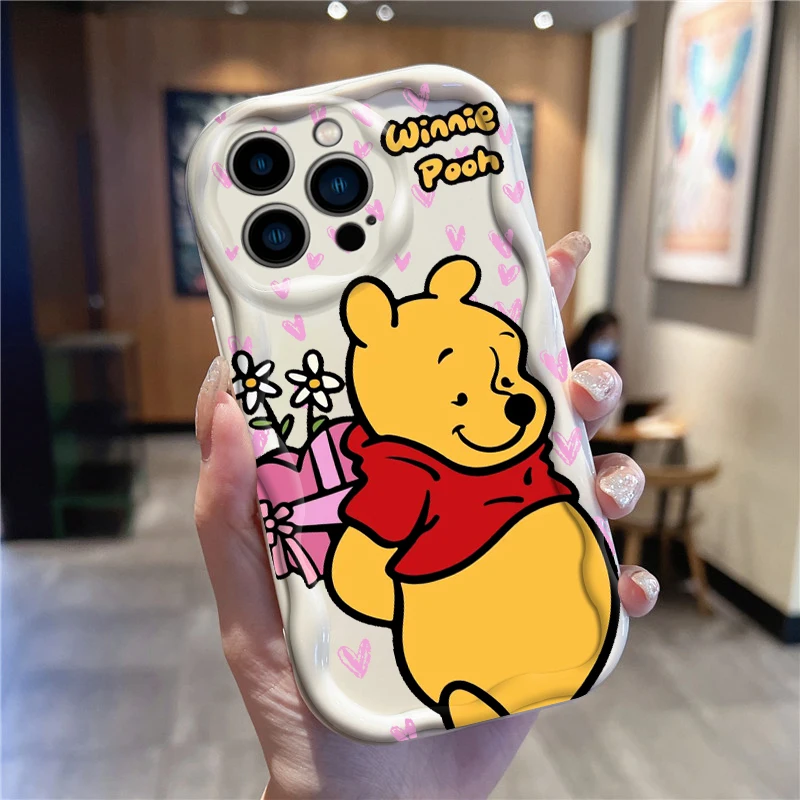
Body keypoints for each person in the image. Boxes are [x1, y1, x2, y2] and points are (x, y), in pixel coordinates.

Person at [194, 231, 658, 800]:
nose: (513, 400)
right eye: (462, 397)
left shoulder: (532, 452)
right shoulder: (401, 475)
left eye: (508, 378)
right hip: (453, 632)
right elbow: (357, 572)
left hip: (567, 621)